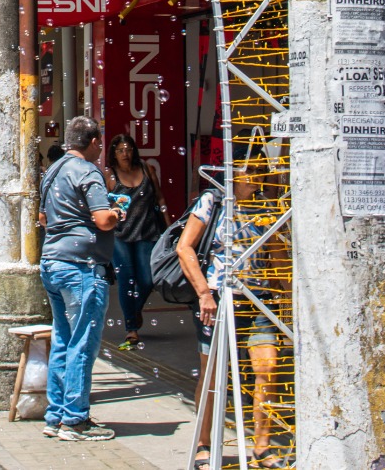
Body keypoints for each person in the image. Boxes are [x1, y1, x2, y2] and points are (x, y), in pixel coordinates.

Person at [177, 168, 288, 470]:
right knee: (212, 375)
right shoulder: (212, 201)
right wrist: (204, 293)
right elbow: (184, 247)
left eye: (260, 170)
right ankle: (203, 444)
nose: (256, 176)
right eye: (250, 169)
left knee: (268, 368)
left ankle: (262, 448)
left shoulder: (266, 206)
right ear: (234, 171)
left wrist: (288, 296)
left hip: (258, 300)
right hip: (218, 300)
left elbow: (277, 255)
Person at [38, 116, 120, 442]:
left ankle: (55, 415)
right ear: (94, 142)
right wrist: (116, 212)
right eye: (100, 142)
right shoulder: (88, 171)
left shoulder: (53, 171)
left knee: (63, 340)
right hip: (82, 268)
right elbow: (103, 220)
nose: (101, 148)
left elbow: (43, 218)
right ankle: (75, 420)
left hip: (52, 263)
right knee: (82, 344)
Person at [106, 134, 167, 351]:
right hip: (120, 235)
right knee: (126, 279)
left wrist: (169, 227)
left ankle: (135, 310)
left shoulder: (146, 169)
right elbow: (103, 204)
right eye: (120, 150)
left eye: (128, 149)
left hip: (147, 232)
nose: (125, 154)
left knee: (148, 279)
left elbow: (159, 197)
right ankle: (131, 327)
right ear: (114, 153)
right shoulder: (110, 175)